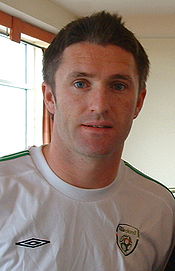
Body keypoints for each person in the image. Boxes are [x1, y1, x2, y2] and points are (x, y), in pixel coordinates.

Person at [0, 11, 174, 271]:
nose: (99, 105)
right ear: (50, 97)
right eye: (81, 83)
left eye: (118, 86)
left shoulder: (159, 207)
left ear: (138, 102)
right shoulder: (5, 190)